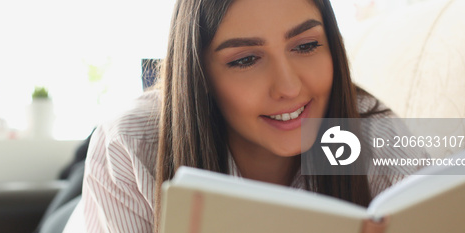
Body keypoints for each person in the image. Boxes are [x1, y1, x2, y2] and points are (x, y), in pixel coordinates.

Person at [63, 0, 426, 232]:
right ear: (200, 77)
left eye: (306, 45)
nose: (288, 87)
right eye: (245, 60)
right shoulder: (128, 143)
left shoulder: (376, 135)